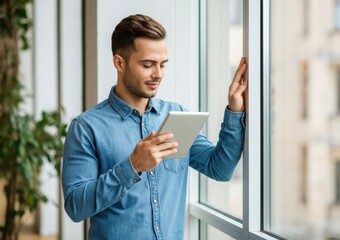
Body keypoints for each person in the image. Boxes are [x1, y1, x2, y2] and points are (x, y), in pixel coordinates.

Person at [62, 14, 248, 240]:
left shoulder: (177, 116)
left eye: (162, 65)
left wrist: (235, 109)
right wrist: (132, 166)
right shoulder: (86, 128)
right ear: (120, 63)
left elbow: (220, 169)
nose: (158, 74)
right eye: (148, 65)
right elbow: (75, 207)